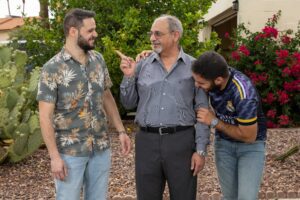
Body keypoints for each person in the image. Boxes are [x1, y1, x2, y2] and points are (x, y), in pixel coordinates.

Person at [37, 8, 131, 200]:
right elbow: (45, 117)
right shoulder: (51, 68)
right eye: (90, 31)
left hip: (100, 148)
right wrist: (55, 157)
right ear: (73, 31)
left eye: (94, 29)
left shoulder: (98, 60)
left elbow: (107, 97)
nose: (95, 34)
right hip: (70, 153)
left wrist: (121, 131)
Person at [117, 15, 210, 200]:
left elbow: (202, 112)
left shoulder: (194, 67)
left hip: (181, 142)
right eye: (151, 33)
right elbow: (128, 104)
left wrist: (200, 150)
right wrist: (128, 76)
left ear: (175, 35)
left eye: (158, 33)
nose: (152, 38)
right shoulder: (142, 65)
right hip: (146, 143)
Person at [191, 51, 267, 200]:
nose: (196, 86)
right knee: (229, 197)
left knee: (246, 197)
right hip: (224, 145)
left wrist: (214, 122)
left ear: (218, 80)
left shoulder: (243, 93)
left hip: (250, 148)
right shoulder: (213, 74)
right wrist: (151, 55)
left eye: (201, 83)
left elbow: (249, 136)